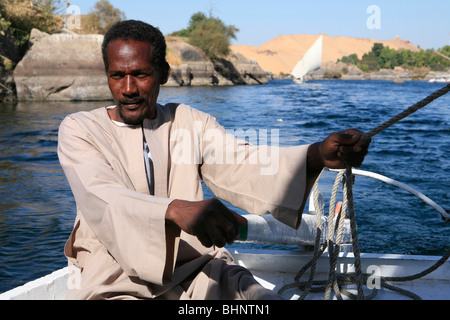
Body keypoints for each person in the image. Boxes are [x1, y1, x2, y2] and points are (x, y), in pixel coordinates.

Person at [58, 20, 370, 300]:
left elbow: (241, 162)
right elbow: (103, 195)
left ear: (163, 74)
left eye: (140, 74)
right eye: (117, 76)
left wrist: (316, 155)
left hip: (194, 265)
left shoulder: (188, 122)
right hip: (115, 276)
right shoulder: (80, 129)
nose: (127, 88)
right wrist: (177, 210)